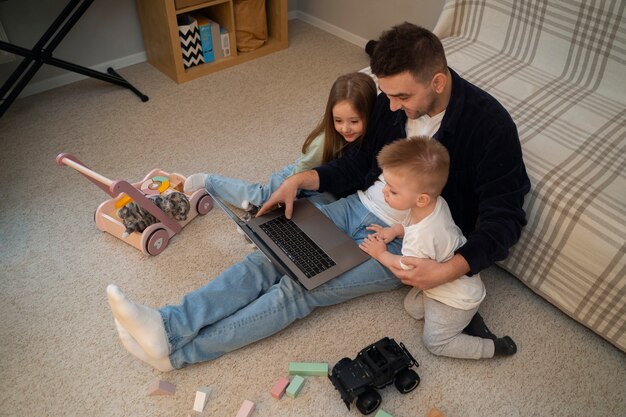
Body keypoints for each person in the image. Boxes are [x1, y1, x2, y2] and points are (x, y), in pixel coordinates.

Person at [106, 22, 530, 372]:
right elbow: (361, 163)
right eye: (389, 95)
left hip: (408, 241)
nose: (394, 107)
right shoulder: (389, 103)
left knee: (300, 288)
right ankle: (168, 325)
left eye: (403, 96)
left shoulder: (489, 126)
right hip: (360, 205)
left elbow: (506, 218)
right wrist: (304, 179)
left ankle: (177, 354)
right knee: (267, 257)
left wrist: (445, 271)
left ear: (437, 81)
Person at [359, 137, 516, 358]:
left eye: (393, 191)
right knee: (412, 308)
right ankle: (466, 318)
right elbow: (412, 224)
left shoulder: (420, 240)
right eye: (386, 184)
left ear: (421, 199)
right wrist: (395, 230)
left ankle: (493, 348)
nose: (384, 192)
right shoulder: (436, 204)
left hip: (456, 299)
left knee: (434, 343)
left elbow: (403, 269)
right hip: (450, 283)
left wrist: (380, 253)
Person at [183, 72, 377, 214]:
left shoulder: (372, 142)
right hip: (297, 175)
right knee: (263, 197)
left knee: (317, 213)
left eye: (354, 121)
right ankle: (210, 181)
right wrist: (288, 192)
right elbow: (301, 171)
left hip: (324, 189)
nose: (345, 129)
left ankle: (263, 222)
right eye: (338, 121)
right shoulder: (324, 142)